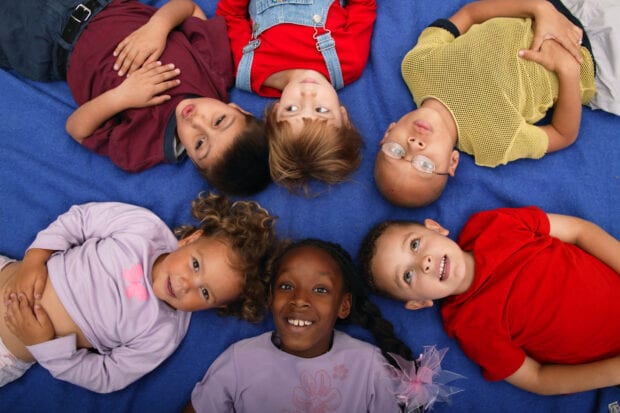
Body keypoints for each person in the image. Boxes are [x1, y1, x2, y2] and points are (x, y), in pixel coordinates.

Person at [0, 192, 277, 392]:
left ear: (214, 308)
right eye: (195, 264)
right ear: (192, 239)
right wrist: (35, 259)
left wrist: (43, 344)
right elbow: (80, 220)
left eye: (205, 293)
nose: (185, 284)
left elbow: (106, 376)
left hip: (8, 351)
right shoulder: (144, 230)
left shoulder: (162, 333)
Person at [0, 0, 270, 196]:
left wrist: (121, 97)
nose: (197, 122)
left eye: (199, 144)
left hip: (43, 43)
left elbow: (77, 128)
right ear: (238, 108)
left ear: (192, 158)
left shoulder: (144, 147)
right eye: (219, 120)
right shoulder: (217, 73)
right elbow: (189, 8)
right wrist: (158, 27)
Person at [374, 0, 619, 207]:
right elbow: (563, 134)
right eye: (425, 165)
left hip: (556, 6)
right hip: (595, 58)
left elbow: (470, 14)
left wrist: (539, 8)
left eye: (396, 152)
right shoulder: (492, 144)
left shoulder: (415, 66)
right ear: (452, 162)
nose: (414, 146)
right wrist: (567, 70)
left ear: (388, 133)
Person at [358, 206, 620, 395]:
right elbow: (538, 379)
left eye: (414, 245)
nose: (423, 263)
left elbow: (578, 230)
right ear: (419, 302)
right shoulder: (470, 327)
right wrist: (613, 372)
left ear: (435, 228)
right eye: (407, 275)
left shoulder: (493, 225)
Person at [187, 238, 461, 412]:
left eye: (320, 290)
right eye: (286, 286)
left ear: (343, 306)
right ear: (270, 297)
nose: (300, 300)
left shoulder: (368, 366)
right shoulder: (240, 360)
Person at [216, 0, 376, 193]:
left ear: (275, 112)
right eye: (322, 110)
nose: (307, 95)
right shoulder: (348, 62)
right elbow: (363, 6)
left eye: (292, 109)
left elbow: (229, 15)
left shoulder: (247, 68)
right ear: (344, 116)